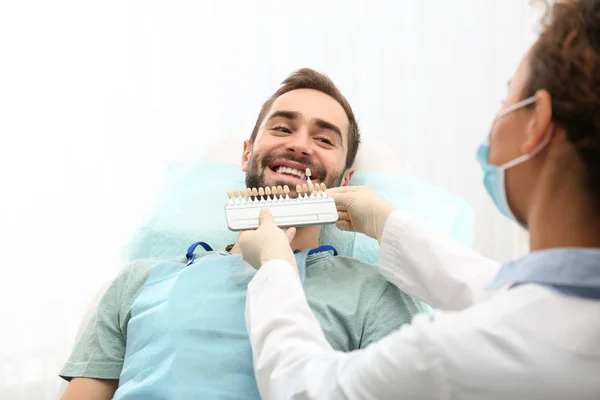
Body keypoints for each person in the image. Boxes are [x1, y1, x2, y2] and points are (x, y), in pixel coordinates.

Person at [239, 1, 600, 398]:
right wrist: (389, 225)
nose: (300, 145)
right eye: (282, 127)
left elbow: (308, 388)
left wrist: (275, 268)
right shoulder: (164, 275)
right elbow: (500, 293)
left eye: (504, 102)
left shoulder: (439, 348)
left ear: (537, 122)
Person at [59, 68, 427, 399]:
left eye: (325, 139)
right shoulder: (137, 282)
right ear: (246, 154)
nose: (300, 145)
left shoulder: (377, 293)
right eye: (282, 128)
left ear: (346, 179)